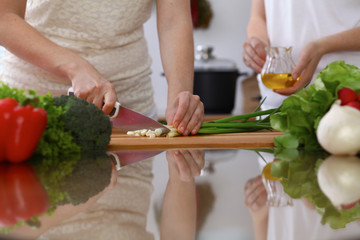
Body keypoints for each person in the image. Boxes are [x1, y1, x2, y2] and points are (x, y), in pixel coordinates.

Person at [0, 0, 204, 136]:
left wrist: (180, 98)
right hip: (27, 114)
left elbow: (174, 21)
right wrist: (76, 67)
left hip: (130, 121)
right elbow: (4, 18)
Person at [242, 0, 360, 110]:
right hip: (275, 107)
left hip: (347, 101)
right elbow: (258, 17)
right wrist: (257, 41)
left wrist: (322, 46)